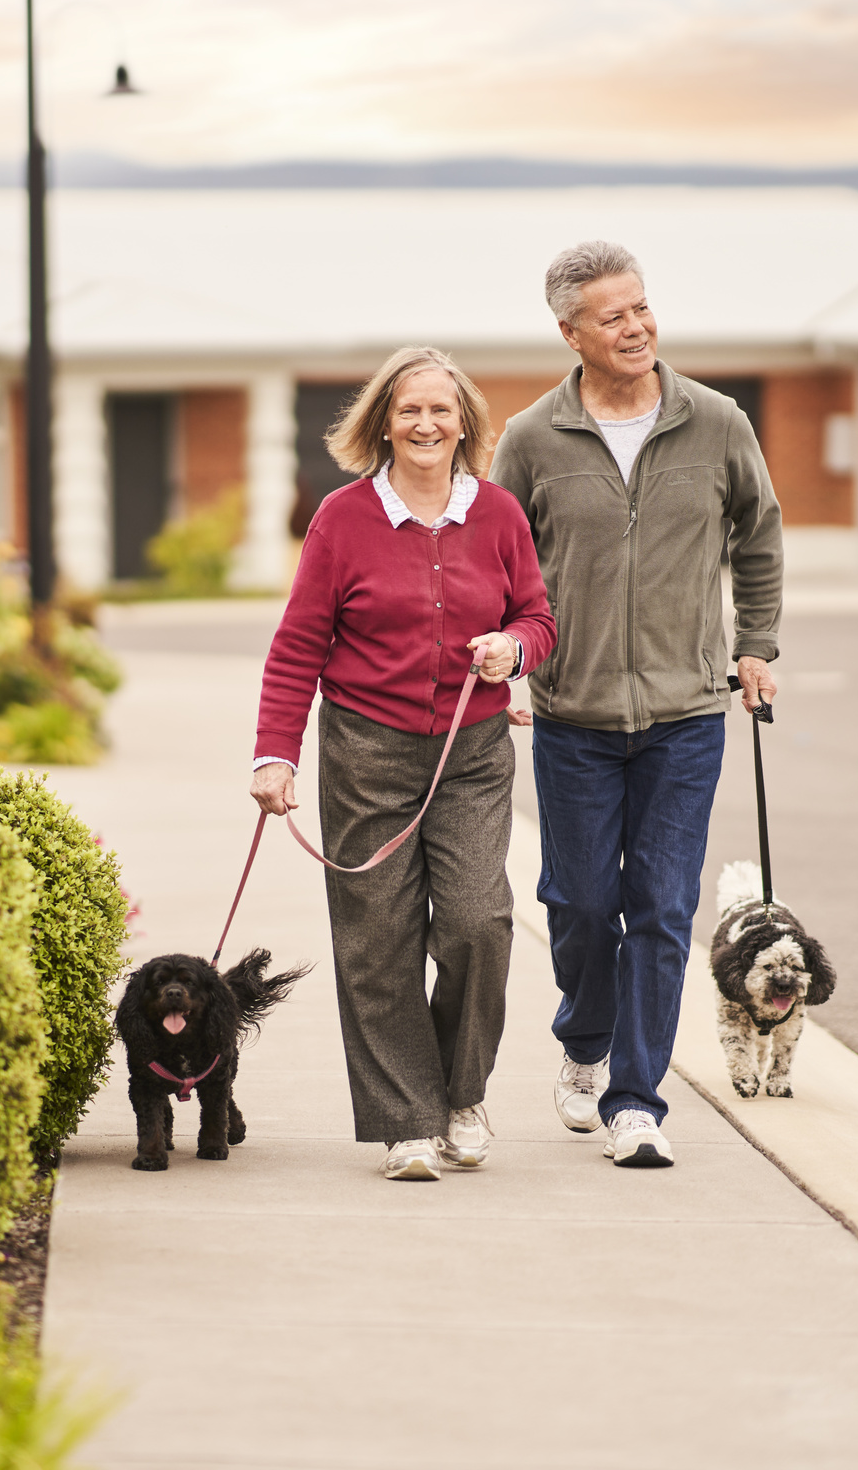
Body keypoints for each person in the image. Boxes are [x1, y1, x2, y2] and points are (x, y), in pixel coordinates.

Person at [489, 241, 783, 1169]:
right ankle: (584, 1038)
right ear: (570, 331)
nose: (636, 328)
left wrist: (756, 646)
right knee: (579, 902)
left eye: (643, 308)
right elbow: (501, 563)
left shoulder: (716, 420)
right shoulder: (533, 437)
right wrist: (509, 662)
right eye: (613, 316)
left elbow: (760, 536)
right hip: (572, 713)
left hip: (686, 714)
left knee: (660, 905)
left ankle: (636, 1100)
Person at [251, 346, 557, 1181]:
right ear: (383, 421)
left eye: (441, 410)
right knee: (377, 939)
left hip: (473, 749)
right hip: (367, 751)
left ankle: (460, 1095)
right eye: (409, 410)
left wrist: (513, 648)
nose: (426, 424)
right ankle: (406, 1123)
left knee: (476, 923)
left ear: (465, 424)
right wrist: (276, 753)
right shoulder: (342, 518)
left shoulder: (497, 513)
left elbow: (538, 615)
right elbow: (298, 645)